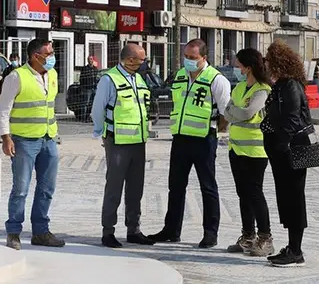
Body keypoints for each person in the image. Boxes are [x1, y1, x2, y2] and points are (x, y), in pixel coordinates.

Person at [148, 38, 231, 248]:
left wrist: (216, 130)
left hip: (204, 140)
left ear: (204, 58)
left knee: (208, 187)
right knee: (175, 187)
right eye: (186, 57)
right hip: (180, 138)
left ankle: (210, 233)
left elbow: (226, 113)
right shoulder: (180, 76)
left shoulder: (216, 80)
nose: (188, 61)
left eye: (193, 58)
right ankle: (171, 230)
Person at [0, 39, 65, 251]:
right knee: (21, 189)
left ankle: (41, 232)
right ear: (36, 56)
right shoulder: (16, 77)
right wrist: (6, 138)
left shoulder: (52, 75)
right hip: (24, 141)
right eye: (49, 53)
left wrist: (53, 135)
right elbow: (3, 109)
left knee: (47, 188)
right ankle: (14, 232)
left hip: (48, 139)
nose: (53, 57)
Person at [91, 43, 155, 248]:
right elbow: (97, 109)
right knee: (114, 188)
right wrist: (101, 132)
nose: (144, 63)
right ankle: (108, 231)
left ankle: (133, 229)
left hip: (138, 142)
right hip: (117, 141)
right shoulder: (109, 79)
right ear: (129, 60)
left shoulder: (138, 79)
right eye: (141, 59)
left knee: (136, 188)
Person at [262, 40, 311, 266]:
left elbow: (292, 119)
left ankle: (296, 250)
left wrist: (280, 144)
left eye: (269, 61)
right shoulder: (281, 84)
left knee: (293, 199)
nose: (266, 65)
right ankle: (292, 247)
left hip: (293, 150)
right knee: (287, 198)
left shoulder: (290, 85)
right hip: (283, 150)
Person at [222, 48, 274, 256]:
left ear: (248, 67)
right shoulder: (240, 87)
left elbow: (246, 112)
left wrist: (235, 113)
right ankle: (247, 235)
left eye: (238, 65)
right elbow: (227, 110)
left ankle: (265, 237)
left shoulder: (263, 89)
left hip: (255, 150)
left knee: (255, 194)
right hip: (236, 148)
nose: (236, 68)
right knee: (243, 194)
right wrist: (235, 113)